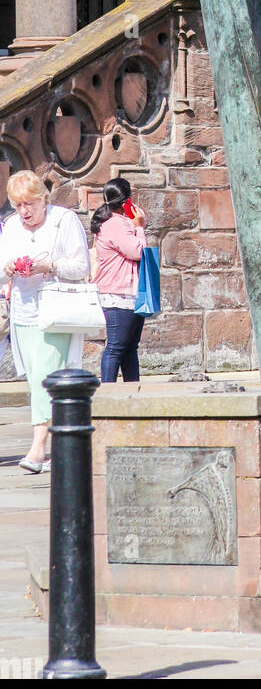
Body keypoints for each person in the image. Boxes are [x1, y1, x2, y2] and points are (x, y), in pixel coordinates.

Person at [1, 170, 90, 471]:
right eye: (18, 205)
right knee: (36, 380)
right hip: (24, 312)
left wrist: (49, 265)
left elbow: (81, 265)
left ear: (43, 199)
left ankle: (37, 449)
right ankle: (60, 446)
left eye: (29, 204)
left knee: (44, 378)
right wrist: (10, 268)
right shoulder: (12, 226)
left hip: (55, 313)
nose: (24, 211)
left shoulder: (63, 220)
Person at [91, 177, 148, 383]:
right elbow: (137, 251)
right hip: (118, 293)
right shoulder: (114, 223)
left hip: (130, 293)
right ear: (126, 200)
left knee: (130, 348)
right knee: (116, 347)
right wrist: (139, 227)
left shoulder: (119, 222)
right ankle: (107, 396)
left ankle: (132, 395)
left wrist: (134, 221)